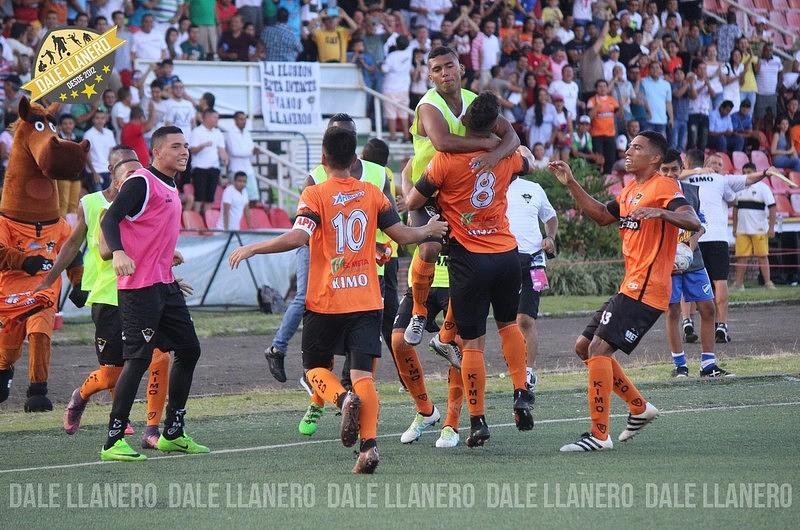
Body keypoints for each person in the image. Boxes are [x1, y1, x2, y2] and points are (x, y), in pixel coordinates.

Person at [229, 126, 447, 474]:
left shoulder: (315, 194)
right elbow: (401, 235)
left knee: (315, 370)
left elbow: (300, 235)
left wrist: (255, 247)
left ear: (323, 159)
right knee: (364, 376)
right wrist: (427, 231)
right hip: (366, 299)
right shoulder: (373, 193)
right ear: (355, 159)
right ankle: (369, 446)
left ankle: (343, 400)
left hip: (326, 300)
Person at [550, 131, 701, 452]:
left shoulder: (664, 186)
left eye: (637, 147)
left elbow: (691, 220)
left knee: (598, 350)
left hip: (647, 289)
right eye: (629, 145)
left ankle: (599, 434)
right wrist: (571, 183)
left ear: (656, 158)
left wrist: (663, 213)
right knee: (584, 347)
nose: (629, 151)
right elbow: (603, 216)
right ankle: (638, 407)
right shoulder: (630, 189)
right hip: (630, 286)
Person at [406, 92, 536, 448]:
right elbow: (530, 162)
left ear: (463, 124)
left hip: (469, 258)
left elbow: (414, 200)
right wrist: (504, 146)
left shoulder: (446, 161)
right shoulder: (507, 159)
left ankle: (477, 420)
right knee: (509, 325)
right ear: (494, 125)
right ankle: (522, 391)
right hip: (507, 253)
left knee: (473, 343)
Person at [35, 147, 174, 447]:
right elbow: (72, 245)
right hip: (108, 296)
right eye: (129, 173)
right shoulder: (92, 203)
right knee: (113, 374)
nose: (138, 178)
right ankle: (80, 395)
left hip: (144, 290)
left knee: (160, 357)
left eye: (140, 172)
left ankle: (153, 429)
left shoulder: (145, 199)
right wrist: (49, 279)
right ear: (112, 173)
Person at [98, 126, 208, 462]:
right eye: (176, 146)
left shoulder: (171, 185)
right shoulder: (141, 181)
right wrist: (118, 252)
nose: (183, 151)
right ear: (156, 152)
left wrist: (165, 256)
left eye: (186, 146)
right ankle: (113, 439)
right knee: (139, 359)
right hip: (139, 289)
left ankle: (173, 432)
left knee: (189, 350)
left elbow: (149, 228)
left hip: (164, 284)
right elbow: (110, 220)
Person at [403, 46, 520, 348]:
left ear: (461, 69)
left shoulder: (473, 102)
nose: (445, 73)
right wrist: (487, 143)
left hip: (459, 195)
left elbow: (512, 137)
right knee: (428, 249)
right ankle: (418, 313)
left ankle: (445, 337)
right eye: (438, 69)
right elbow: (442, 142)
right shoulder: (429, 105)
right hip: (427, 190)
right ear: (429, 76)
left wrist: (495, 155)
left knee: (469, 267)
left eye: (449, 66)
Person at [681, 150, 777, 343]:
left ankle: (690, 322)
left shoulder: (693, 180)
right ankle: (718, 325)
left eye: (719, 164)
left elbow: (671, 176)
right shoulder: (718, 180)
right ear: (706, 164)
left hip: (695, 235)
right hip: (711, 236)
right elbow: (747, 180)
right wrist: (765, 172)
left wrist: (695, 171)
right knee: (718, 281)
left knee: (692, 280)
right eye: (713, 163)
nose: (716, 166)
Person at [659, 149, 732, 378]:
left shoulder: (692, 191)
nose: (670, 174)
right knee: (672, 311)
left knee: (708, 308)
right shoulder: (654, 195)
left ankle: (708, 364)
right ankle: (680, 365)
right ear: (659, 171)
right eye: (665, 170)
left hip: (693, 259)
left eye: (674, 169)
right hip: (666, 262)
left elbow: (700, 224)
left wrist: (688, 249)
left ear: (682, 170)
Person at [506, 170, 558, 397]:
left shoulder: (534, 188)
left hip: (534, 260)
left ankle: (527, 373)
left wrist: (550, 237)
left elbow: (551, 216)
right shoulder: (488, 184)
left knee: (525, 319)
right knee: (504, 321)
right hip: (501, 259)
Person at [732, 163, 777, 291]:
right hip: (742, 229)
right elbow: (735, 209)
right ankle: (738, 284)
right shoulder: (739, 188)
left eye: (749, 171)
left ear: (755, 171)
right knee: (741, 257)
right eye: (744, 171)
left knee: (762, 256)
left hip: (759, 229)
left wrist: (771, 227)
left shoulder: (763, 188)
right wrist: (734, 227)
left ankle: (768, 283)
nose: (747, 173)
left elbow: (772, 207)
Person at [189, 109, 227, 214]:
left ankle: (207, 222)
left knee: (210, 198)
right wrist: (203, 145)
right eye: (215, 117)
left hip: (214, 168)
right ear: (207, 118)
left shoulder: (218, 132)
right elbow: (192, 150)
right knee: (199, 197)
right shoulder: (197, 131)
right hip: (200, 169)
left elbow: (221, 150)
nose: (217, 120)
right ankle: (196, 223)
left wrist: (225, 159)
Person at [225, 111, 263, 204]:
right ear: (235, 120)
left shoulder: (247, 132)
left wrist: (251, 151)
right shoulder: (230, 133)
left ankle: (248, 218)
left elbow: (250, 147)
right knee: (237, 198)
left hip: (248, 168)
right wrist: (250, 152)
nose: (244, 121)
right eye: (241, 119)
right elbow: (234, 151)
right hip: (235, 169)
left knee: (253, 198)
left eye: (245, 119)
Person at [83, 109, 116, 191]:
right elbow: (87, 155)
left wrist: (113, 172)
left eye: (102, 118)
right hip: (95, 172)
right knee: (98, 200)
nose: (100, 120)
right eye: (97, 118)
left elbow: (112, 153)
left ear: (106, 119)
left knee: (110, 200)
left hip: (108, 171)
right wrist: (94, 173)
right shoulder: (88, 134)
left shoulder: (109, 133)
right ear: (93, 120)